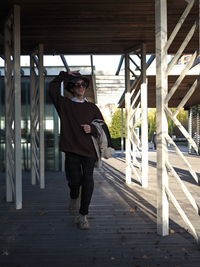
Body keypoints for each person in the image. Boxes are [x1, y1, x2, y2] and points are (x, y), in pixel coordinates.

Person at [49, 70, 105, 230]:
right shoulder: (64, 104)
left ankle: (83, 216)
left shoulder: (92, 107)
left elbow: (102, 126)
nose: (80, 87)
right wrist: (64, 75)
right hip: (71, 150)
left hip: (89, 152)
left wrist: (92, 129)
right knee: (74, 183)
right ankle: (74, 195)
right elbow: (52, 88)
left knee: (88, 182)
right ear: (72, 88)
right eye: (77, 85)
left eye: (83, 85)